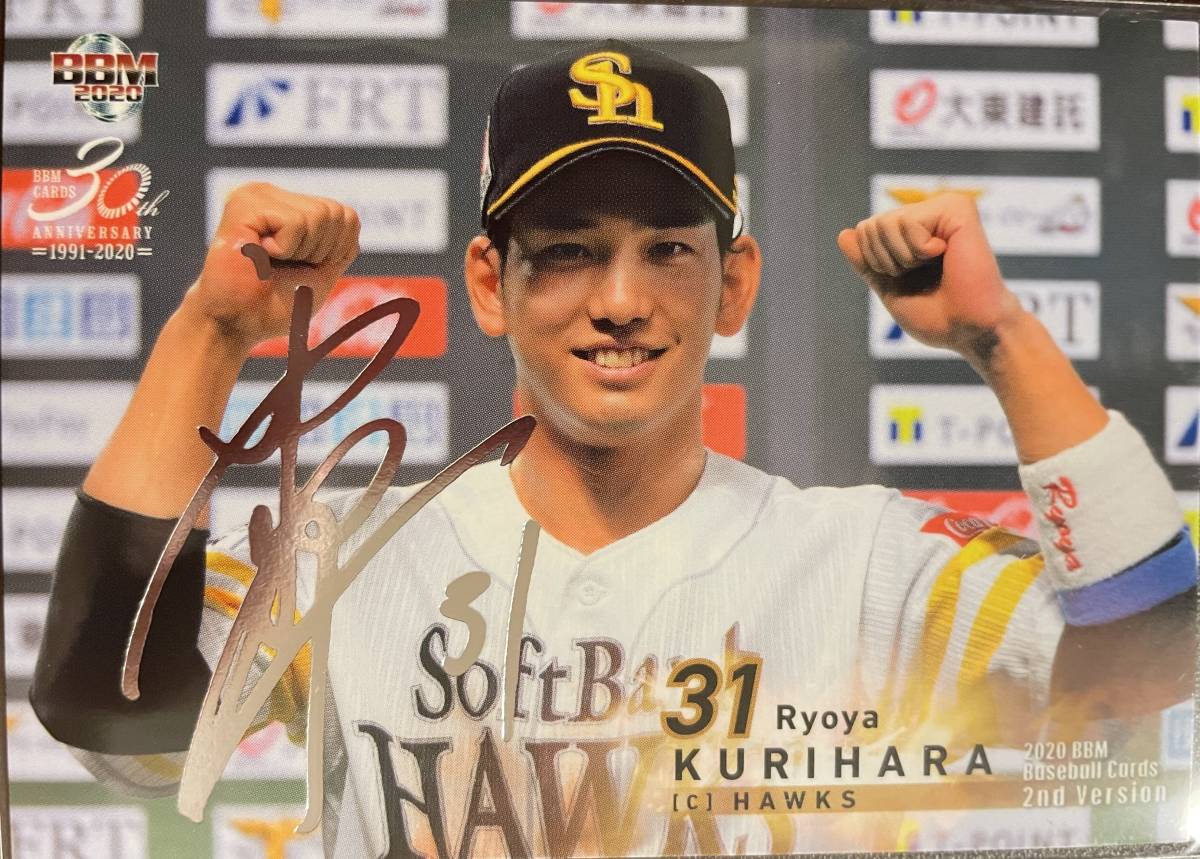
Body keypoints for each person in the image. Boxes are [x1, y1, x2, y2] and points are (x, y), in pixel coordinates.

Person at [30, 40, 1196, 857]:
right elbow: (109, 714)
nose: (622, 300)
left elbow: (1155, 666)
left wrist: (1002, 339)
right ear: (490, 283)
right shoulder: (348, 559)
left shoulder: (866, 563)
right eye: (569, 250)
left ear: (733, 282)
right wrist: (215, 329)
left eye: (668, 249)